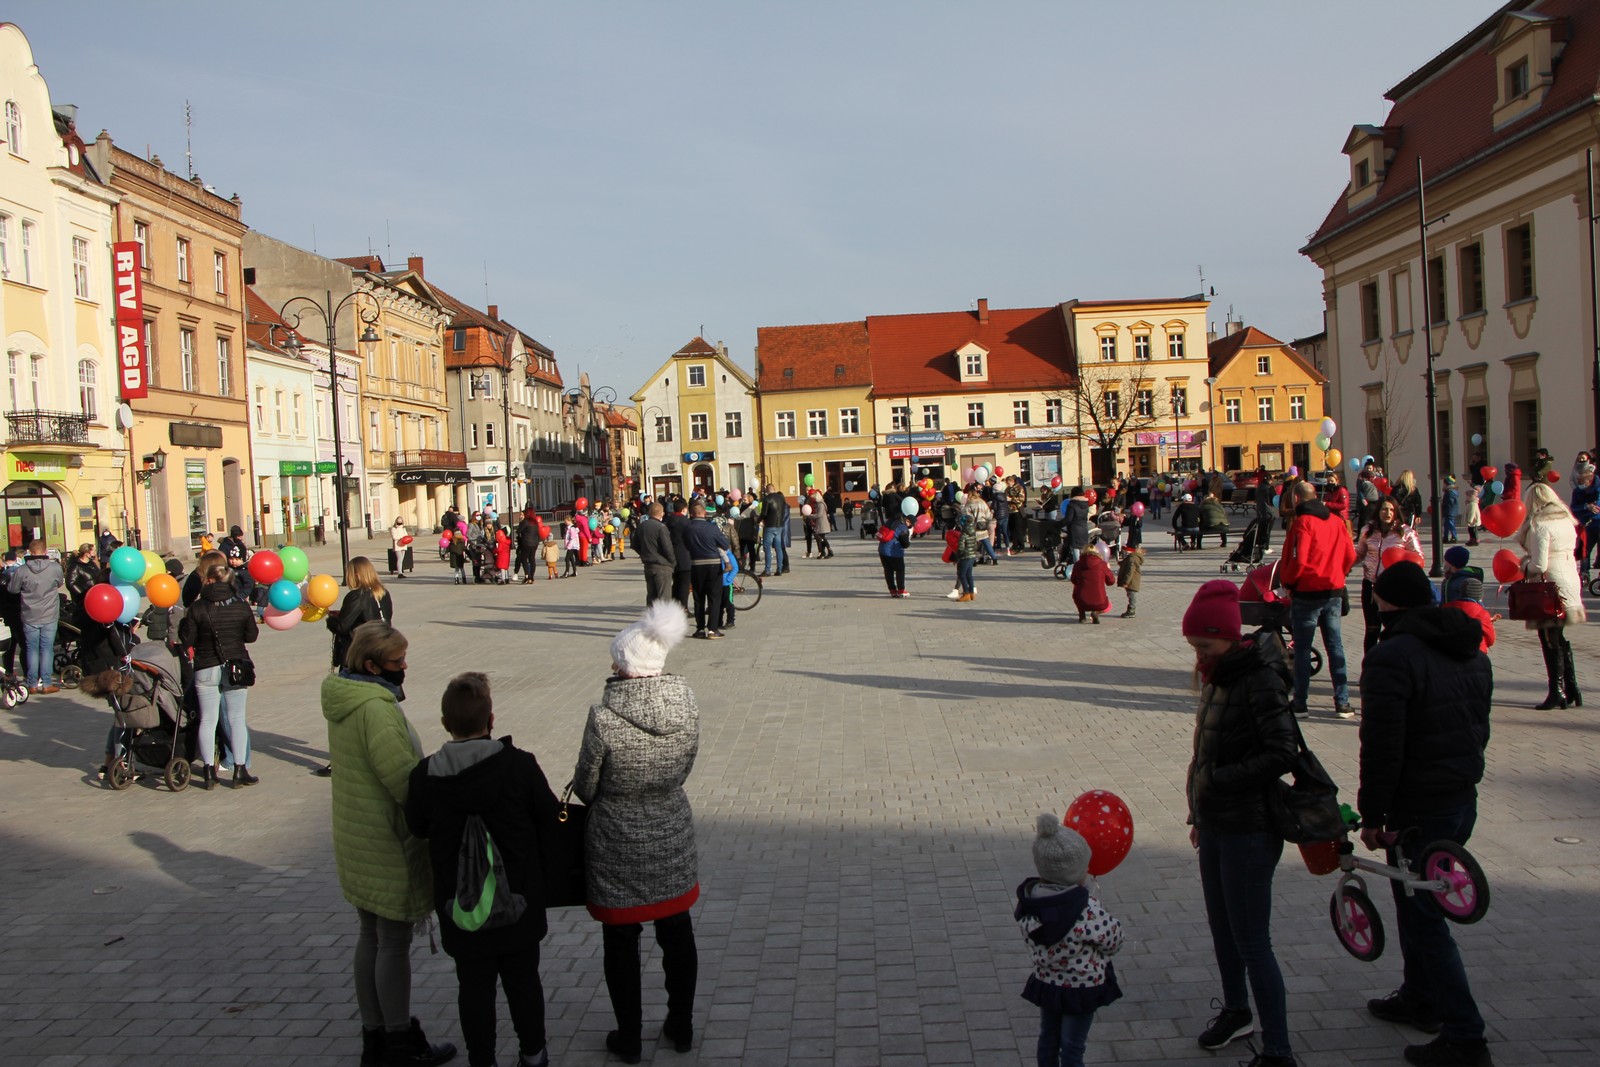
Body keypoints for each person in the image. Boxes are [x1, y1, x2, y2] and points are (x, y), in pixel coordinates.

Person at [1357, 561, 1492, 1067]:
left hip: (1418, 804)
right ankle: (1420, 995)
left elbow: (1383, 744)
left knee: (1425, 916)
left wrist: (1375, 813)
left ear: (1389, 604)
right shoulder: (1471, 648)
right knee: (1415, 900)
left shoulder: (1393, 656)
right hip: (1459, 797)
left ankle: (1465, 1034)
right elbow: (1479, 726)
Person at [405, 672, 560, 1067]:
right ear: (491, 720)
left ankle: (482, 1059)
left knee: (473, 986)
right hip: (520, 899)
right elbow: (548, 818)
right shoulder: (519, 766)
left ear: (445, 724)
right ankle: (533, 1052)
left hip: (460, 903)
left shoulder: (425, 775)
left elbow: (417, 827)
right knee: (523, 980)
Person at [323, 621, 457, 1067]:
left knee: (370, 936)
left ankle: (375, 1036)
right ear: (371, 664)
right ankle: (396, 1041)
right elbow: (402, 781)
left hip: (356, 833)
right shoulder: (375, 708)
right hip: (385, 838)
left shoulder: (345, 696)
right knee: (393, 943)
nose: (404, 668)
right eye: (397, 662)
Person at [572, 603, 701, 1064]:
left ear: (625, 667)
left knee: (621, 939)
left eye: (615, 660)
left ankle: (628, 1036)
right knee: (677, 930)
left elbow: (587, 784)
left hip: (615, 837)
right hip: (670, 826)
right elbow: (685, 767)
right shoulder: (687, 706)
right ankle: (681, 1026)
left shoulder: (603, 718)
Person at [1182, 580, 1299, 1067]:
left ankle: (1278, 1049)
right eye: (1194, 648)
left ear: (1229, 637)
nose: (1198, 656)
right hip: (1215, 821)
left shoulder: (1259, 679)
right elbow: (1206, 750)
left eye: (1204, 646)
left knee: (1252, 939)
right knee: (1222, 928)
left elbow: (1282, 752)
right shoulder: (1219, 674)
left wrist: (1222, 781)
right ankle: (1236, 1010)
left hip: (1250, 825)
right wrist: (1199, 808)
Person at [1015, 813, 1123, 1067]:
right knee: (1073, 1047)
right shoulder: (1086, 911)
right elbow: (1114, 939)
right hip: (1081, 989)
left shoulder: (1031, 905)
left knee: (1048, 1038)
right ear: (1074, 873)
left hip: (1048, 984)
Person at [178, 556, 259, 789]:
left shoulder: (197, 607)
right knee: (236, 719)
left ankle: (208, 771)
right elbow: (251, 636)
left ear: (209, 581)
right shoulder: (240, 605)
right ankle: (240, 769)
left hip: (206, 665)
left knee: (208, 719)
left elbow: (187, 639)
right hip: (236, 664)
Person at [1279, 481, 1357, 719]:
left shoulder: (1302, 523)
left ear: (1296, 500)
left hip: (1307, 591)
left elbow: (1298, 559)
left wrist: (1289, 583)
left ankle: (1301, 703)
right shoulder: (1336, 521)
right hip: (1332, 589)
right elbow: (1350, 555)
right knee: (1336, 646)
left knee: (1302, 649)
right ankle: (1342, 702)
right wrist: (1338, 574)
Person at [1516, 482, 1587, 709]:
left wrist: (1523, 565)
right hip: (1569, 580)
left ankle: (1557, 691)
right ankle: (1571, 686)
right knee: (1559, 636)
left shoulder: (1540, 524)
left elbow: (1539, 563)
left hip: (1549, 587)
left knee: (1549, 638)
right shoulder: (1566, 520)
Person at [1355, 498, 1424, 654]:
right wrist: (1343, 564)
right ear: (1378, 511)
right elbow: (1359, 553)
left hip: (1394, 587)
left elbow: (1418, 556)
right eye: (1384, 509)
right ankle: (1370, 667)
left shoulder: (1405, 532)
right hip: (1371, 585)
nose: (1388, 513)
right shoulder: (1368, 530)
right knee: (1372, 629)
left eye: (1391, 510)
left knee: (1393, 629)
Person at [7, 539, 65, 693]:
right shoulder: (54, 568)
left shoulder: (22, 570)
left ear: (29, 553)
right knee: (46, 649)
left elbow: (12, 589)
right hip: (49, 614)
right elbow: (59, 583)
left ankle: (32, 684)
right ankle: (46, 684)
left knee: (31, 649)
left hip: (29, 614)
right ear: (45, 552)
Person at [328, 557, 395, 672]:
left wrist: (331, 620)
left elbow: (342, 626)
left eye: (349, 573)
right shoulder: (383, 592)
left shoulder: (356, 595)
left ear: (357, 575)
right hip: (382, 649)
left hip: (360, 655)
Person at [681, 501, 732, 639]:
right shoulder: (712, 528)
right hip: (713, 565)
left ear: (691, 514)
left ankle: (699, 629)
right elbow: (725, 544)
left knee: (698, 597)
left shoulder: (688, 528)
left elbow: (685, 544)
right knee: (714, 597)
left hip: (696, 564)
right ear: (704, 513)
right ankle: (712, 629)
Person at [634, 502, 675, 605]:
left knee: (651, 597)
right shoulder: (661, 527)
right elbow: (667, 548)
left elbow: (634, 544)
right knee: (664, 598)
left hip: (648, 565)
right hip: (662, 565)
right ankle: (663, 620)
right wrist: (672, 561)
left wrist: (644, 553)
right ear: (662, 513)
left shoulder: (641, 526)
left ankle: (651, 619)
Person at [1070, 544, 1113, 623]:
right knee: (1107, 604)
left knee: (1077, 591)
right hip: (1100, 601)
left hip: (1081, 600)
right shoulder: (1102, 564)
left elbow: (1073, 580)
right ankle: (1096, 612)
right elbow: (1111, 581)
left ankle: (1082, 615)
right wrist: (1108, 570)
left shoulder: (1078, 564)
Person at [878, 509, 910, 598]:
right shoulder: (901, 527)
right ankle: (901, 590)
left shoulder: (889, 522)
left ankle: (892, 590)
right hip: (894, 553)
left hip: (882, 551)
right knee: (900, 570)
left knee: (888, 571)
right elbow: (905, 544)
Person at [759, 485, 788, 577]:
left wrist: (758, 520)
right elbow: (784, 511)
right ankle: (779, 569)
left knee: (767, 547)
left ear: (767, 490)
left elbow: (764, 513)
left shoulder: (767, 499)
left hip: (770, 525)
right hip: (779, 525)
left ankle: (767, 570)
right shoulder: (781, 498)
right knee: (778, 547)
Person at [1061, 488, 1091, 564]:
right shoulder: (1086, 504)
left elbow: (1068, 519)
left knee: (1076, 556)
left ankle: (1078, 571)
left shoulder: (1071, 504)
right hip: (1084, 530)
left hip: (1074, 531)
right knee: (1083, 552)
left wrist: (1059, 524)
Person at [1115, 547, 1143, 619]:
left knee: (1131, 595)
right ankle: (1130, 609)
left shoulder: (1132, 559)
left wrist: (1126, 582)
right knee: (1130, 595)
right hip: (1132, 581)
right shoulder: (1132, 557)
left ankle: (1131, 610)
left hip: (1132, 581)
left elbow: (1130, 572)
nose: (1124, 552)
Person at [1460, 481, 1482, 547]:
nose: (1466, 497)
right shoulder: (1470, 503)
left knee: (1473, 531)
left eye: (1467, 496)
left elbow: (1472, 512)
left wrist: (1469, 520)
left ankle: (1474, 540)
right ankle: (1472, 540)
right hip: (1472, 522)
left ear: (1470, 496)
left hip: (1473, 521)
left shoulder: (1472, 504)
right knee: (1471, 530)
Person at [1441, 477, 1460, 543]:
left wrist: (1442, 504)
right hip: (1449, 511)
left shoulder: (1450, 492)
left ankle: (1454, 537)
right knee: (1446, 525)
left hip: (1450, 511)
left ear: (1447, 484)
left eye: (1444, 483)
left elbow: (1450, 502)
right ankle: (1445, 537)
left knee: (1450, 524)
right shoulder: (1450, 491)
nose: (1443, 485)